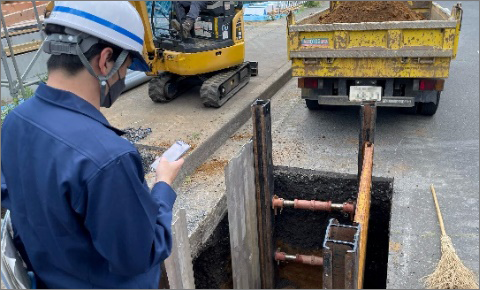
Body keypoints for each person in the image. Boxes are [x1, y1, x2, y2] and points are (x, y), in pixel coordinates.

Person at [1, 1, 184, 288]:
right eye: (125, 67)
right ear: (105, 60)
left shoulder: (15, 123)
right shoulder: (109, 158)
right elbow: (142, 252)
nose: (123, 77)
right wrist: (163, 185)